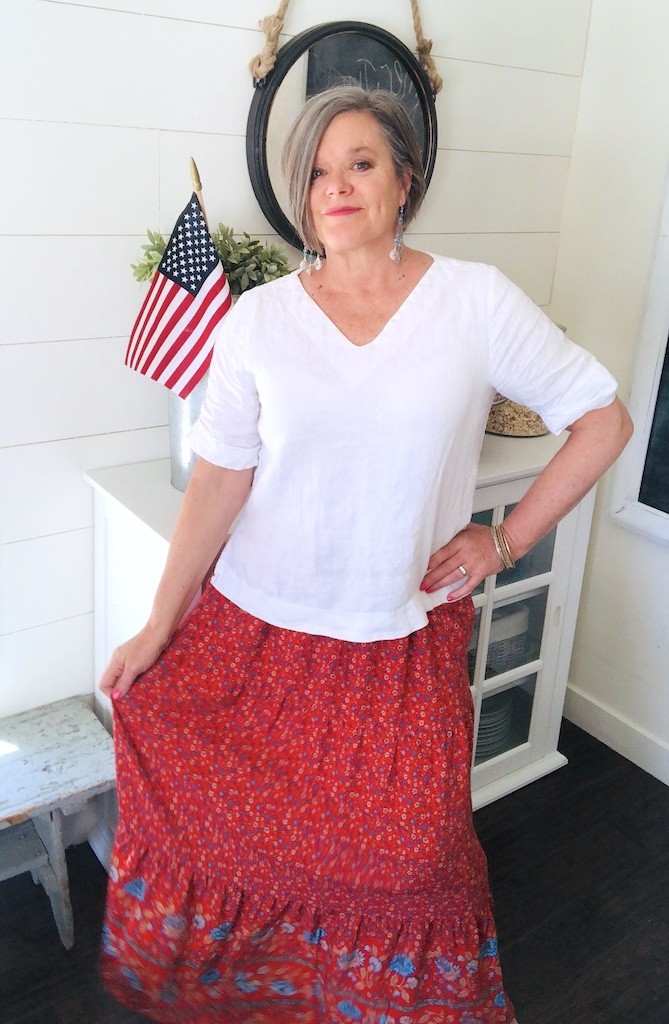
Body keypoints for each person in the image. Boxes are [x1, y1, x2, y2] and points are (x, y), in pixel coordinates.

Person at [99, 85, 632, 1024]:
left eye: (359, 163)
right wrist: (157, 623)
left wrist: (504, 539)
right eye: (314, 172)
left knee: (414, 865)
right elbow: (220, 482)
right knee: (231, 838)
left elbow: (601, 419)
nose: (334, 186)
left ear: (402, 181)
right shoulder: (257, 320)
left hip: (398, 644)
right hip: (255, 638)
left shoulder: (472, 301)